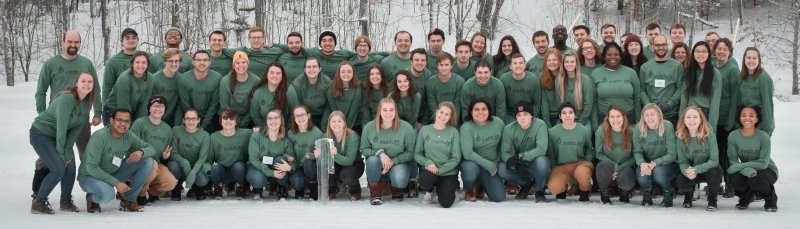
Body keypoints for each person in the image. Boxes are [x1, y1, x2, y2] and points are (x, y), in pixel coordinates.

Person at [33, 31, 102, 198]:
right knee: (48, 158)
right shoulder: (51, 63)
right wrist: (44, 113)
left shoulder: (86, 63)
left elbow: (96, 90)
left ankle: (91, 195)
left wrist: (98, 112)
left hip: (81, 120)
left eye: (76, 42)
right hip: (56, 120)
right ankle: (38, 192)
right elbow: (41, 91)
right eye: (69, 41)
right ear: (62, 42)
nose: (73, 45)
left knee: (86, 154)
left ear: (80, 43)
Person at [29, 72, 95, 214]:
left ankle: (65, 201)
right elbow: (62, 127)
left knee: (70, 167)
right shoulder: (67, 98)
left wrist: (67, 148)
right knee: (58, 169)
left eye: (90, 82)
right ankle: (38, 202)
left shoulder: (87, 103)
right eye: (83, 81)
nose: (86, 84)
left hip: (61, 137)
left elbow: (76, 128)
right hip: (41, 134)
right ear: (76, 83)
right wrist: (61, 152)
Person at [78, 108, 154, 213]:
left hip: (113, 173)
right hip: (90, 176)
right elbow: (91, 167)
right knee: (108, 195)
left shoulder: (128, 136)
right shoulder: (100, 137)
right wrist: (117, 183)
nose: (123, 124)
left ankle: (129, 200)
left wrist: (141, 151)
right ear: (111, 121)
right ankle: (91, 199)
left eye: (126, 121)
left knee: (147, 161)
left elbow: (151, 148)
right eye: (119, 120)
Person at [361, 98, 417, 205]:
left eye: (391, 110)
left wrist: (393, 161)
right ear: (379, 111)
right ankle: (375, 190)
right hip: (378, 165)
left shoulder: (406, 127)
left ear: (395, 111)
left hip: (398, 163)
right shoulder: (369, 127)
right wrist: (380, 153)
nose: (388, 113)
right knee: (372, 160)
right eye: (385, 110)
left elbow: (410, 152)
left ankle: (395, 187)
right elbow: (364, 149)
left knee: (399, 180)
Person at [727, 105, 779, 212]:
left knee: (755, 179)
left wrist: (742, 166)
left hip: (767, 170)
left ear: (756, 119)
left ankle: (771, 198)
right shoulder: (733, 136)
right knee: (734, 178)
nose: (747, 118)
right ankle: (747, 196)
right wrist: (747, 170)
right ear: (740, 118)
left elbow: (763, 163)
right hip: (749, 171)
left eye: (751, 115)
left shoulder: (764, 137)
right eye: (744, 115)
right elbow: (733, 160)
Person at [128, 96, 178, 205]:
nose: (158, 109)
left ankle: (152, 191)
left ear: (165, 109)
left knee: (171, 182)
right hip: (139, 162)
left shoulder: (167, 129)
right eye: (155, 106)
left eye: (161, 106)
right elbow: (132, 146)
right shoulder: (140, 123)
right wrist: (148, 159)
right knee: (150, 167)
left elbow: (166, 151)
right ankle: (140, 194)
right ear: (149, 108)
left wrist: (165, 156)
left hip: (157, 163)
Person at [499, 101, 550, 202]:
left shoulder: (540, 125)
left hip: (535, 160)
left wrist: (521, 156)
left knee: (542, 162)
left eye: (525, 114)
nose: (522, 118)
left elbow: (541, 149)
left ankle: (539, 190)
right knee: (501, 168)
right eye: (519, 115)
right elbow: (505, 152)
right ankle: (526, 184)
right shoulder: (509, 129)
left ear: (531, 115)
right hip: (520, 162)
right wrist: (516, 165)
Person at [246, 109, 302, 200]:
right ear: (266, 121)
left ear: (281, 121)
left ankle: (282, 187)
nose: (273, 121)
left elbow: (294, 161)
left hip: (277, 171)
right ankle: (257, 189)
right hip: (258, 167)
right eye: (270, 118)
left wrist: (290, 167)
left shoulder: (286, 141)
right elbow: (254, 160)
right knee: (259, 180)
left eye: (276, 118)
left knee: (280, 160)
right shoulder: (256, 136)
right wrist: (270, 172)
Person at [309, 111, 364, 201]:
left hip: (354, 164)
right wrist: (318, 156)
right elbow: (325, 160)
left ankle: (355, 190)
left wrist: (335, 155)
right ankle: (332, 188)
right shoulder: (326, 136)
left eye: (339, 121)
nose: (336, 124)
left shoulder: (352, 136)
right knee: (326, 167)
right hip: (336, 164)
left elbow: (349, 161)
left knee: (346, 175)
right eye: (333, 121)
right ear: (329, 123)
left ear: (344, 123)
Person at [415, 102, 461, 208]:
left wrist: (440, 171)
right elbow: (417, 154)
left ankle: (450, 189)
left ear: (450, 117)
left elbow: (456, 158)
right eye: (441, 112)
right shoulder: (425, 130)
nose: (443, 116)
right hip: (430, 170)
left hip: (448, 172)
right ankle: (431, 191)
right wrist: (428, 162)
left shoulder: (453, 132)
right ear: (436, 112)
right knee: (424, 181)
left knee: (446, 203)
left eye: (447, 114)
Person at [675, 106, 722, 211]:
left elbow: (714, 160)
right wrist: (687, 171)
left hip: (708, 169)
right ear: (683, 120)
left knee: (715, 172)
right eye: (688, 117)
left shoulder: (709, 135)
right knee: (681, 181)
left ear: (701, 119)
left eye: (695, 117)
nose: (692, 120)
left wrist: (697, 169)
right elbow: (682, 161)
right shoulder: (680, 137)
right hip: (692, 171)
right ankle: (688, 196)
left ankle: (712, 200)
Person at [459, 99, 506, 202]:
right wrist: (489, 165)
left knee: (499, 197)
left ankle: (481, 185)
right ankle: (469, 188)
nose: (480, 112)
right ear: (471, 112)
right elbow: (468, 153)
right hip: (473, 163)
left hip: (492, 165)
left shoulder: (498, 123)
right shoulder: (466, 127)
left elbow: (503, 146)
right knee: (469, 169)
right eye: (476, 109)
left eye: (484, 109)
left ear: (489, 111)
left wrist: (496, 162)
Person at [547, 102, 594, 202]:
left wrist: (588, 163)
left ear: (575, 115)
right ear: (559, 116)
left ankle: (585, 191)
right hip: (561, 166)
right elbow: (551, 152)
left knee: (583, 175)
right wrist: (554, 168)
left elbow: (589, 149)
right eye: (564, 113)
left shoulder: (584, 131)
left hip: (580, 164)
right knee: (554, 187)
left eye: (570, 112)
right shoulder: (552, 132)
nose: (567, 115)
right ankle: (562, 189)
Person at [633, 104, 678, 207]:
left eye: (652, 114)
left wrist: (654, 163)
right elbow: (637, 152)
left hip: (666, 164)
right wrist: (642, 163)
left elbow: (672, 154)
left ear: (658, 115)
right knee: (642, 173)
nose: (649, 118)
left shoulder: (667, 126)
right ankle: (647, 194)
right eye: (646, 115)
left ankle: (668, 193)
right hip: (647, 164)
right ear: (643, 117)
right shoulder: (637, 129)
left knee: (658, 171)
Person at [713, 38, 740, 198]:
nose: (721, 51)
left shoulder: (732, 70)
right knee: (714, 153)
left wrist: (730, 122)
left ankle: (730, 183)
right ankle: (715, 182)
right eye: (719, 48)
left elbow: (736, 97)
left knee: (727, 154)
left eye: (725, 49)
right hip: (712, 118)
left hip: (726, 118)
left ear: (729, 52)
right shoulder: (711, 66)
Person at [167, 108, 211, 201]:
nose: (191, 121)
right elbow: (173, 153)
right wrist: (185, 163)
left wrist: (193, 173)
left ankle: (196, 188)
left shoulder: (205, 135)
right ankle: (176, 188)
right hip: (180, 166)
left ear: (199, 120)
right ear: (183, 120)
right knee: (172, 166)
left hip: (196, 166)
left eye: (194, 118)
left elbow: (202, 158)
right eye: (188, 118)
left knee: (202, 180)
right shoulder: (176, 130)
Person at [638, 35, 684, 125]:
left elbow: (680, 88)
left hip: (671, 115)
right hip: (650, 115)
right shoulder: (645, 67)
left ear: (667, 45)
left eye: (663, 45)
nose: (661, 48)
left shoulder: (677, 66)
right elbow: (642, 90)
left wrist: (670, 104)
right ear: (653, 46)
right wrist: (649, 106)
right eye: (657, 45)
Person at [594, 105, 636, 204]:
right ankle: (604, 191)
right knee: (603, 166)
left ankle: (624, 191)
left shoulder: (632, 131)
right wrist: (615, 165)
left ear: (623, 117)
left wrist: (620, 167)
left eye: (618, 116)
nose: (615, 119)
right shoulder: (601, 130)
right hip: (608, 166)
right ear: (608, 118)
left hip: (625, 166)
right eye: (612, 117)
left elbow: (635, 156)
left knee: (625, 179)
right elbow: (599, 154)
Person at [207, 108, 252, 199]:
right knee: (214, 166)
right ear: (220, 121)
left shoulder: (246, 134)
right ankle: (217, 187)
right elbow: (209, 159)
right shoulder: (213, 137)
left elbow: (260, 134)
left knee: (239, 166)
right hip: (221, 171)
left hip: (238, 171)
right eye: (225, 118)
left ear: (236, 122)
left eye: (231, 118)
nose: (228, 120)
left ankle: (240, 186)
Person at [592, 42, 641, 125]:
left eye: (616, 54)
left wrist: (638, 120)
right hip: (605, 120)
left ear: (620, 56)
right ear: (604, 56)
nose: (613, 57)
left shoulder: (630, 72)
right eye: (609, 54)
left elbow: (637, 97)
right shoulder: (596, 74)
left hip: (628, 119)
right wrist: (595, 124)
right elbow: (593, 101)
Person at [103, 28, 141, 124]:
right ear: (121, 42)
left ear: (138, 40)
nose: (131, 40)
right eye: (127, 38)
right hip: (116, 109)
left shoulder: (145, 59)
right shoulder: (113, 62)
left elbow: (166, 59)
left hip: (137, 109)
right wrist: (106, 110)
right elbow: (107, 87)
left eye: (134, 38)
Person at [178, 50, 223, 132]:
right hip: (190, 116)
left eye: (205, 60)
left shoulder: (217, 77)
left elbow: (214, 104)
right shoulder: (183, 78)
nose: (202, 62)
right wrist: (194, 122)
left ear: (209, 62)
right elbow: (186, 104)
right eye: (198, 60)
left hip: (210, 116)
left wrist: (203, 125)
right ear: (193, 62)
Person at [680, 41, 721, 128]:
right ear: (693, 53)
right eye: (697, 51)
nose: (700, 54)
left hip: (704, 115)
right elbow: (684, 97)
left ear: (709, 54)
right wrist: (681, 119)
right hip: (689, 114)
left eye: (704, 51)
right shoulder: (689, 72)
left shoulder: (715, 73)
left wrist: (712, 127)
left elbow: (715, 102)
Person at [733, 47, 774, 135]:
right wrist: (737, 123)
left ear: (759, 60)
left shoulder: (763, 78)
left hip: (759, 123)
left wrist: (768, 128)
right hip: (745, 122)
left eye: (754, 58)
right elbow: (739, 102)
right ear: (744, 59)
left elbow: (767, 104)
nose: (751, 61)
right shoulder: (742, 77)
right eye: (748, 57)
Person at [287, 106, 324, 199]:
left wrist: (311, 155)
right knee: (297, 181)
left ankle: (313, 188)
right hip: (297, 166)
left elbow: (321, 154)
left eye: (302, 115)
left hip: (311, 166)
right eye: (297, 116)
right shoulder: (290, 134)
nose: (300, 118)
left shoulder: (317, 133)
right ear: (294, 118)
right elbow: (286, 151)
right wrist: (288, 157)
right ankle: (299, 189)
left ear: (308, 115)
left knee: (309, 162)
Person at [249, 62, 299, 130]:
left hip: (285, 131)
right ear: (267, 74)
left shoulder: (289, 90)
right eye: (271, 73)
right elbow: (255, 115)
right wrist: (266, 129)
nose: (274, 76)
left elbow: (294, 113)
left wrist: (285, 130)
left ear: (282, 75)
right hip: (265, 130)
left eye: (278, 73)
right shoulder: (258, 92)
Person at [105, 51, 154, 119]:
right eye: (137, 62)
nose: (140, 65)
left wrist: (139, 123)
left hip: (132, 111)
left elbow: (144, 104)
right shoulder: (124, 79)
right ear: (132, 64)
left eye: (143, 62)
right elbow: (123, 107)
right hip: (113, 111)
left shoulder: (150, 78)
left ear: (147, 65)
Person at [219, 51, 260, 129]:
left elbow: (254, 106)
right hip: (229, 119)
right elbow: (225, 106)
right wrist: (233, 123)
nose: (241, 65)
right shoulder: (225, 81)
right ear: (233, 66)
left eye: (243, 62)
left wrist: (243, 124)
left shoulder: (256, 80)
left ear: (248, 64)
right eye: (237, 63)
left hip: (249, 118)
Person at [326, 61, 366, 131]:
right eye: (343, 72)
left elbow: (353, 112)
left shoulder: (358, 87)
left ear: (353, 73)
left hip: (353, 124)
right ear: (339, 73)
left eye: (349, 71)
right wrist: (338, 127)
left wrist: (345, 131)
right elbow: (334, 109)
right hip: (336, 124)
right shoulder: (331, 87)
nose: (346, 74)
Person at [500, 53, 540, 123]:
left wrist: (533, 120)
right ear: (510, 66)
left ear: (525, 65)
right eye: (515, 63)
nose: (518, 65)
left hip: (528, 114)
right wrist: (505, 121)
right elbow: (502, 103)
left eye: (521, 63)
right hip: (511, 115)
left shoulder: (533, 79)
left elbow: (537, 103)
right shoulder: (504, 79)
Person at [557, 51, 593, 128]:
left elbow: (588, 104)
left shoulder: (585, 79)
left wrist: (581, 122)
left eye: (572, 61)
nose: (569, 64)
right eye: (566, 62)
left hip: (583, 120)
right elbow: (559, 103)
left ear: (576, 63)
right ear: (563, 64)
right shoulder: (559, 80)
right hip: (565, 120)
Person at [292, 58, 331, 128]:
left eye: (315, 66)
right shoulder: (297, 83)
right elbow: (298, 107)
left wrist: (324, 125)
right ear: (304, 69)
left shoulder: (327, 82)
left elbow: (328, 106)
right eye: (308, 67)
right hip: (305, 116)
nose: (311, 69)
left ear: (319, 69)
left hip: (323, 116)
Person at [427, 54, 466, 123]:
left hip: (454, 121)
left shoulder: (459, 81)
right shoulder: (430, 83)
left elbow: (457, 106)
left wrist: (453, 123)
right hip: (437, 120)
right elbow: (432, 107)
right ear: (437, 66)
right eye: (441, 65)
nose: (444, 68)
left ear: (451, 66)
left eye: (446, 65)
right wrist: (439, 123)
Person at [151, 48, 183, 126]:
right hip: (154, 118)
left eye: (176, 61)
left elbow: (180, 105)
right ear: (165, 61)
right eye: (171, 61)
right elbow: (149, 104)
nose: (174, 64)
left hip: (172, 119)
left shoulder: (182, 79)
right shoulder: (154, 79)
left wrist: (177, 126)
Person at [539, 49, 562, 127]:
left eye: (555, 59)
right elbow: (544, 102)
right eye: (549, 60)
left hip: (564, 116)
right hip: (548, 117)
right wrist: (547, 124)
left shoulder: (565, 76)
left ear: (560, 61)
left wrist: (560, 122)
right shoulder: (542, 77)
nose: (551, 62)